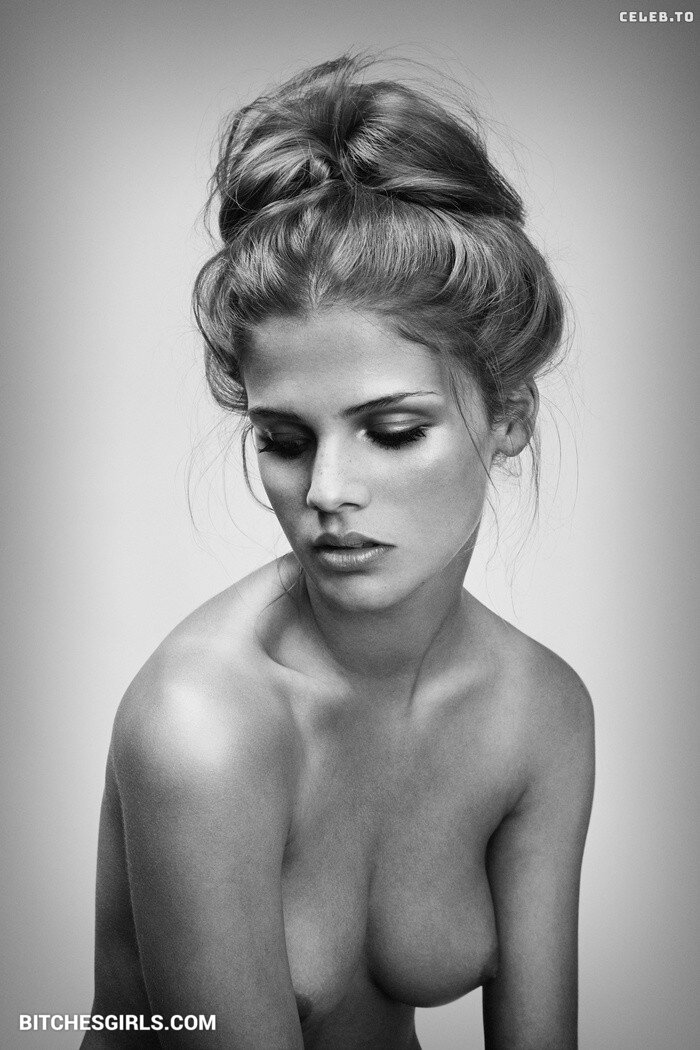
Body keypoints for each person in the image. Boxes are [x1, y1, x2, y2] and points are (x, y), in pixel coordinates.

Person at [83, 54, 595, 1050]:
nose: (325, 491)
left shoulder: (538, 711)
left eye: (392, 432)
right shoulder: (202, 724)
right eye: (283, 440)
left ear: (509, 419)